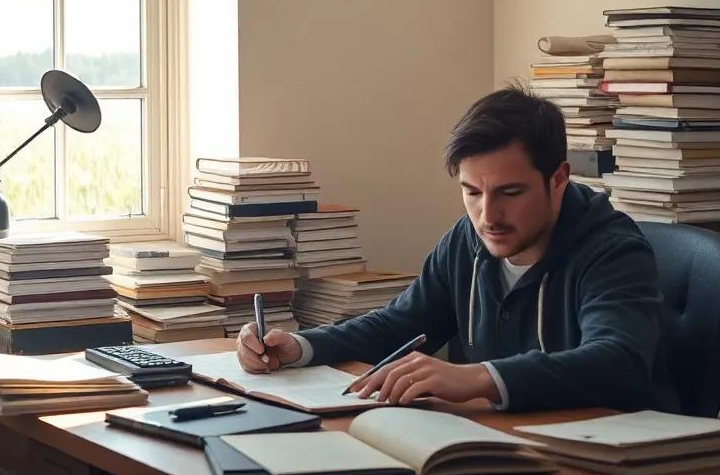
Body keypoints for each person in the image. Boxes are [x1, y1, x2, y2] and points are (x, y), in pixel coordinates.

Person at [236, 83, 679, 414]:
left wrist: (479, 377)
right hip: (493, 446)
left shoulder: (611, 250)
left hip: (602, 473)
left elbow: (618, 361)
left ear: (558, 180)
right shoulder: (467, 240)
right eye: (472, 192)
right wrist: (299, 346)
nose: (488, 215)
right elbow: (401, 324)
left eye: (510, 192)